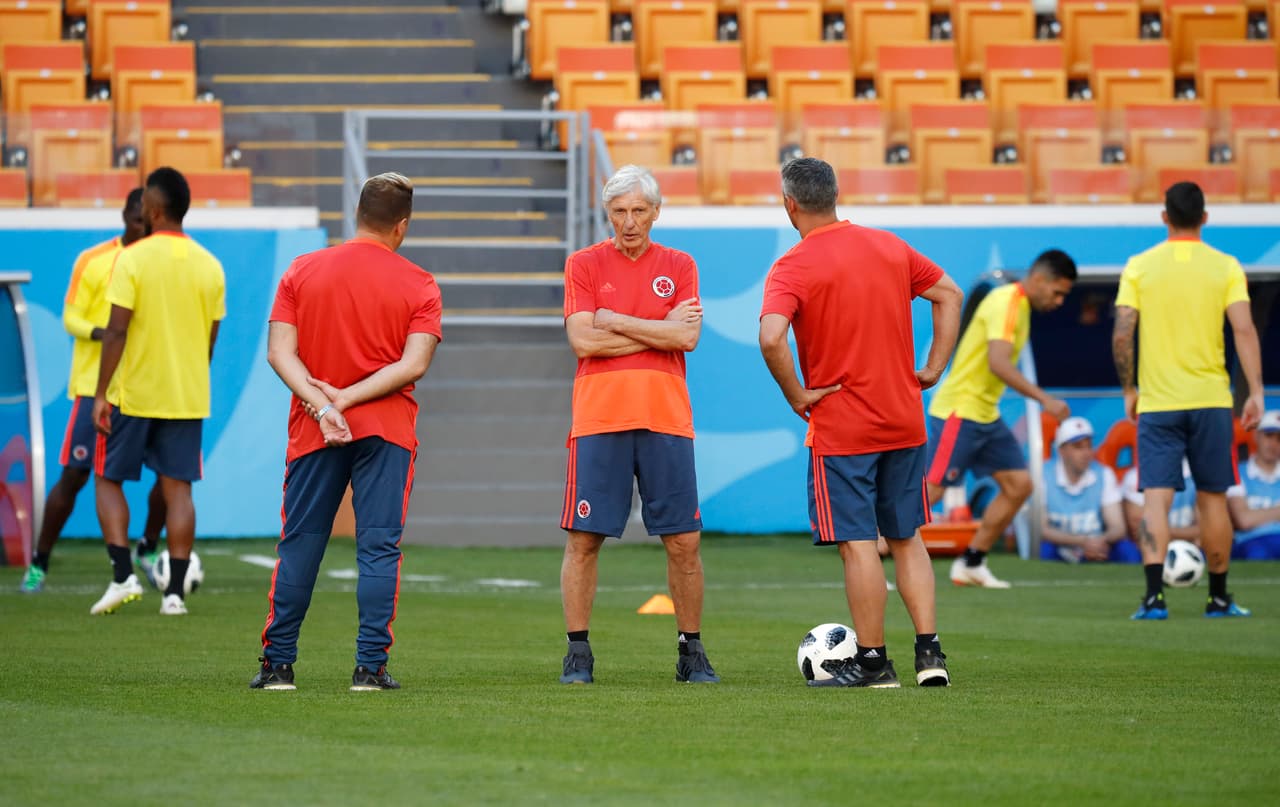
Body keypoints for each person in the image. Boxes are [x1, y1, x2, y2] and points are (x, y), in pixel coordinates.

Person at [759, 157, 964, 688]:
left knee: (857, 541)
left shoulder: (793, 266)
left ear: (790, 204)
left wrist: (796, 394)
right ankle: (930, 655)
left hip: (842, 426)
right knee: (906, 536)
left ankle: (874, 662)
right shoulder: (889, 246)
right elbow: (950, 294)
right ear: (834, 195)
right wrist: (934, 368)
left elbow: (770, 336)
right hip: (903, 418)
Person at [252, 172, 442, 692]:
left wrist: (322, 404)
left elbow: (279, 353)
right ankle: (368, 669)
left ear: (357, 214)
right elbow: (414, 364)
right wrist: (350, 399)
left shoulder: (302, 269)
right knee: (379, 549)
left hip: (314, 429)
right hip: (386, 429)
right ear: (401, 226)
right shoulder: (420, 283)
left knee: (300, 544)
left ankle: (277, 667)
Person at [558, 165, 716, 685]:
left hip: (665, 417)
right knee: (585, 538)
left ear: (655, 211)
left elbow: (687, 339)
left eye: (638, 211)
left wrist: (617, 320)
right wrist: (659, 330)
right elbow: (584, 342)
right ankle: (577, 652)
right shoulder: (582, 264)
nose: (629, 222)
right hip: (600, 417)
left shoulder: (680, 264)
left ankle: (691, 651)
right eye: (619, 211)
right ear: (607, 213)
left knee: (684, 541)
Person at [1113, 181, 1263, 620]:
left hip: (1158, 403)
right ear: (1205, 218)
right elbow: (1244, 330)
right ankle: (1218, 598)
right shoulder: (1226, 266)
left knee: (1155, 499)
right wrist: (1254, 392)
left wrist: (1128, 389)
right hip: (1211, 401)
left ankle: (1153, 599)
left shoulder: (1140, 267)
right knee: (1213, 498)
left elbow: (1123, 332)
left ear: (1164, 217)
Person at [90, 168, 226, 617]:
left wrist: (100, 394)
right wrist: (188, 378)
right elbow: (210, 340)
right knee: (178, 491)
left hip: (135, 391)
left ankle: (122, 576)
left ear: (153, 208)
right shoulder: (210, 265)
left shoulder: (133, 259)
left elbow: (116, 332)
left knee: (108, 478)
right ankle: (175, 597)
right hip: (186, 395)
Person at [19, 190, 168, 593]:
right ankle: (39, 562)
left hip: (151, 386)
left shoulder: (162, 262)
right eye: (137, 221)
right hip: (96, 388)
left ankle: (148, 548)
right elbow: (71, 316)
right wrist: (103, 334)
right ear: (124, 216)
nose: (143, 229)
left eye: (149, 223)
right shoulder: (94, 259)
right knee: (74, 475)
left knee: (173, 476)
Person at [925, 249, 1078, 588]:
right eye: (1058, 292)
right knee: (930, 492)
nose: (1059, 302)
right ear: (1038, 280)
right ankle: (874, 554)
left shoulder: (1021, 307)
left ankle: (972, 562)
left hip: (984, 414)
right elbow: (999, 363)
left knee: (1019, 485)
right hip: (960, 411)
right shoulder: (1007, 301)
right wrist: (1045, 400)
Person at [1040, 416, 1139, 563]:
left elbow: (1118, 527)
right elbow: (1041, 530)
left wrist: (1098, 542)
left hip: (1098, 546)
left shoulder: (1104, 474)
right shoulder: (1043, 475)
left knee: (1128, 551)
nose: (1086, 453)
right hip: (1060, 547)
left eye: (1088, 446)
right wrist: (1081, 541)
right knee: (1043, 550)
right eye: (1078, 447)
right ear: (1062, 450)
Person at [1225, 410, 1280, 560]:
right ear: (1256, 436)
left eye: (1279, 439)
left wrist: (1259, 515)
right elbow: (1244, 520)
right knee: (1257, 554)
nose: (1274, 444)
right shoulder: (1238, 472)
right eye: (1269, 436)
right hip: (1251, 543)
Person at [1120, 461, 1199, 547]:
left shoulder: (1198, 475)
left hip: (1187, 547)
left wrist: (1157, 530)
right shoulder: (1136, 476)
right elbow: (1138, 530)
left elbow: (1203, 530)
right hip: (1147, 547)